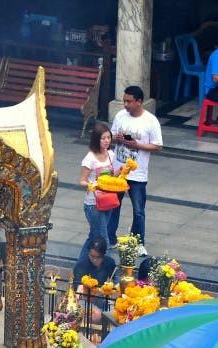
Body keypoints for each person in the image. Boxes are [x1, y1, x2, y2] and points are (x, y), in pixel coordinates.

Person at [108, 85, 163, 257]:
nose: (125, 105)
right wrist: (114, 138)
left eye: (129, 101)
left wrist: (137, 145)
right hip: (117, 171)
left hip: (137, 174)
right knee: (113, 206)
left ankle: (138, 241)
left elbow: (157, 146)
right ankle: (110, 238)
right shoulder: (120, 116)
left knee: (138, 210)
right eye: (124, 101)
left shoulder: (151, 121)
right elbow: (110, 137)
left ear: (139, 102)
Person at [78, 122, 115, 263]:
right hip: (93, 205)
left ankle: (80, 266)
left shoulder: (111, 154)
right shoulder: (90, 158)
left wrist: (124, 170)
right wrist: (91, 185)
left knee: (93, 237)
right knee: (104, 240)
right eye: (103, 138)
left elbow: (113, 177)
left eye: (108, 138)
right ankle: (111, 273)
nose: (107, 141)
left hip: (108, 202)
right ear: (96, 139)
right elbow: (82, 180)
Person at [72, 238, 117, 323]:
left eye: (98, 257)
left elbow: (112, 282)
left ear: (103, 255)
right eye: (92, 256)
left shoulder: (110, 263)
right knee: (96, 314)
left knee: (117, 314)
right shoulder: (82, 265)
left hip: (102, 298)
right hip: (84, 299)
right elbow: (78, 291)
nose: (95, 260)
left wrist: (108, 288)